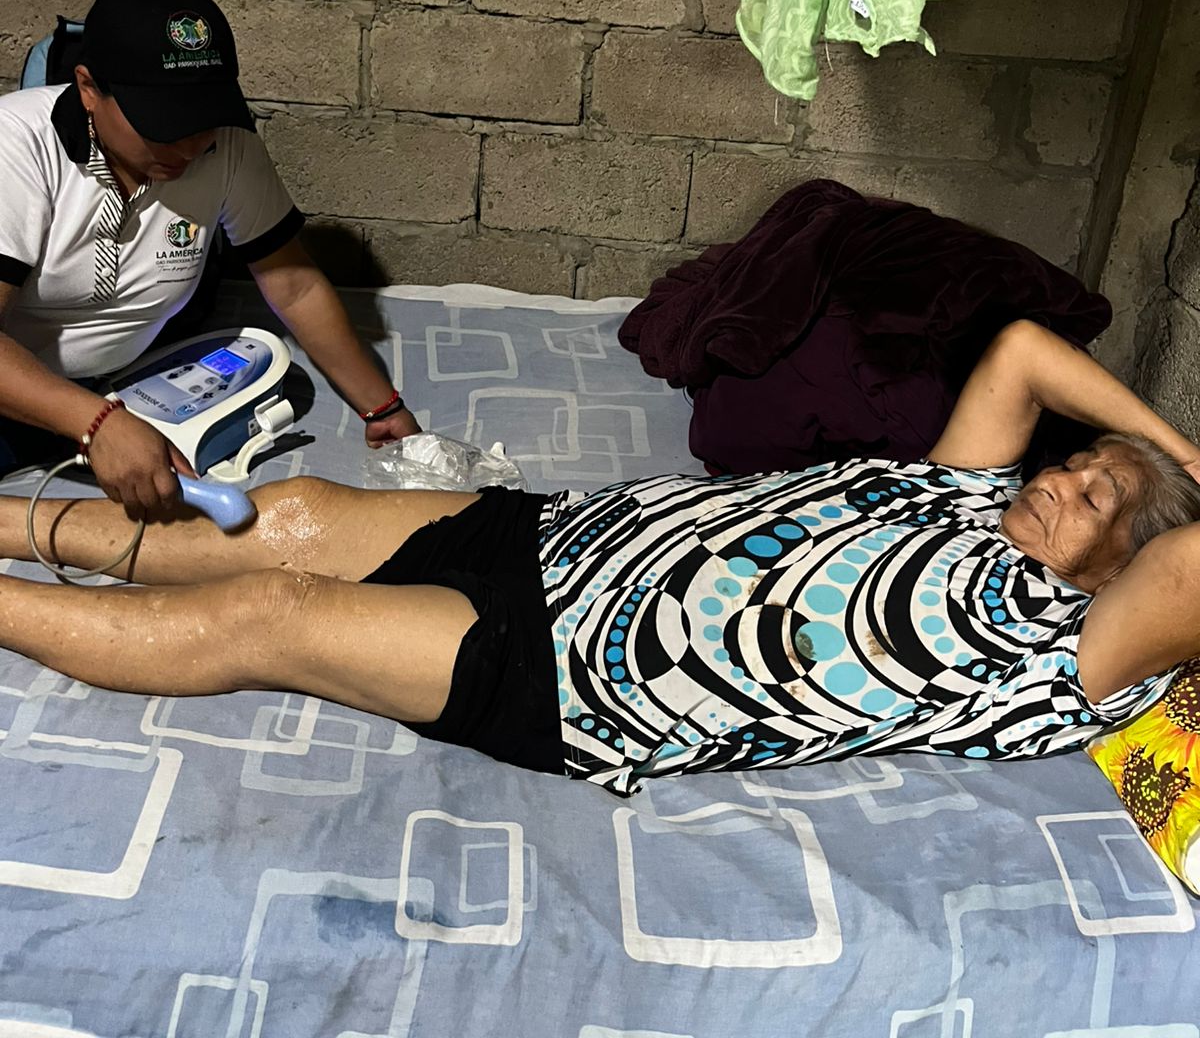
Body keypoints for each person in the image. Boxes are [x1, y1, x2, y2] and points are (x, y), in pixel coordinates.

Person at [3, 319, 1200, 795]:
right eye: (1075, 463)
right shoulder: (966, 487)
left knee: (277, 610)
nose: (1057, 478)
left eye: (1095, 496)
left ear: (1125, 572)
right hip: (562, 532)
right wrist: (1167, 449)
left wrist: (1178, 486)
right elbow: (1023, 350)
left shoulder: (1065, 657)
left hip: (587, 672)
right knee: (296, 508)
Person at [0, 0, 418, 511]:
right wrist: (96, 422)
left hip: (135, 375)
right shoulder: (19, 147)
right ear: (87, 88)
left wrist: (382, 409)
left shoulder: (225, 147)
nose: (191, 146)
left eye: (203, 119)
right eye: (163, 125)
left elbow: (293, 286)